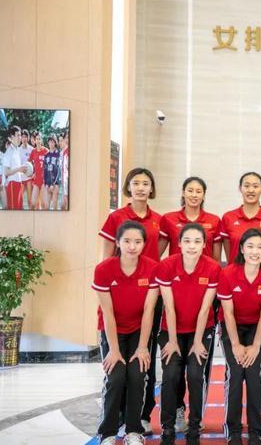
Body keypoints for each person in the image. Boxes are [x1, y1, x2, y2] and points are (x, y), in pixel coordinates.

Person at [99, 167, 162, 433]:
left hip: (148, 292)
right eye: (136, 183)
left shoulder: (158, 220)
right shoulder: (116, 217)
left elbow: (157, 254)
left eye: (146, 183)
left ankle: (141, 416)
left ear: (151, 188)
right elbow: (106, 258)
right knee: (117, 368)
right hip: (118, 292)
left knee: (143, 361)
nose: (140, 187)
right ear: (128, 186)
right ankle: (116, 418)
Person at [92, 221, 159, 445]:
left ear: (144, 244)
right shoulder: (104, 269)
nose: (132, 246)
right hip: (112, 330)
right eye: (127, 241)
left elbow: (149, 311)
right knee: (116, 376)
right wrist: (113, 349)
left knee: (138, 375)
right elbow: (107, 312)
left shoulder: (152, 268)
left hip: (139, 330)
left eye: (137, 242)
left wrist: (142, 347)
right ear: (118, 243)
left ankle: (133, 431)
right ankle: (107, 433)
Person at [155, 223, 220, 445]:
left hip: (201, 329)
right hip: (171, 329)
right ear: (179, 244)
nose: (192, 246)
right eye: (187, 241)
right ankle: (168, 428)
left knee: (195, 373)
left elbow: (205, 308)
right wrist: (172, 341)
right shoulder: (166, 266)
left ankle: (194, 427)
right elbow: (169, 307)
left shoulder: (212, 268)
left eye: (197, 241)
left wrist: (199, 341)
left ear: (204, 245)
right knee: (171, 373)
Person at [218, 228, 261, 445]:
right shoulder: (227, 274)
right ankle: (233, 429)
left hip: (257, 326)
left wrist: (255, 346)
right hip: (232, 325)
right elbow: (228, 313)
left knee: (253, 374)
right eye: (250, 246)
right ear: (242, 249)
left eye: (260, 247)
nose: (255, 251)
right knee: (235, 373)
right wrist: (235, 344)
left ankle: (255, 429)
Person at [220, 172, 261, 263]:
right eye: (246, 186)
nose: (251, 190)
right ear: (240, 188)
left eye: (255, 186)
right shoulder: (228, 217)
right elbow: (230, 256)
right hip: (235, 271)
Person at [160, 176, 222, 261]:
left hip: (205, 269)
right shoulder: (168, 219)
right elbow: (156, 255)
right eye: (190, 191)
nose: (194, 195)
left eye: (198, 192)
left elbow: (216, 260)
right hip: (176, 269)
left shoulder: (215, 220)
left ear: (204, 196)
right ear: (183, 193)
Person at [1, 126, 27, 210]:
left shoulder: (17, 150)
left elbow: (17, 169)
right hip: (12, 184)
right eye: (18, 135)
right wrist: (19, 169)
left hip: (19, 183)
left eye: (20, 135)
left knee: (19, 210)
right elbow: (6, 172)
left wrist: (24, 171)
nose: (20, 138)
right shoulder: (9, 151)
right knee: (13, 211)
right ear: (11, 137)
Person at [28, 132, 47, 210]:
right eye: (37, 139)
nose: (38, 141)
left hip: (44, 180)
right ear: (35, 141)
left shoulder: (46, 151)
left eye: (39, 139)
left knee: (43, 204)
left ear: (41, 140)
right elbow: (28, 163)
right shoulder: (33, 151)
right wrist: (32, 172)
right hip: (36, 180)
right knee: (33, 204)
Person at [42, 135, 61, 210]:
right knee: (46, 207)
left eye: (53, 142)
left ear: (55, 143)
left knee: (54, 207)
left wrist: (53, 184)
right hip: (47, 184)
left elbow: (58, 171)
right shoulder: (46, 155)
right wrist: (45, 184)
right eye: (50, 142)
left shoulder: (58, 154)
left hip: (55, 184)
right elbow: (45, 170)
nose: (51, 143)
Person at [19, 129, 33, 207]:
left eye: (25, 137)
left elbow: (34, 163)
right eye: (22, 137)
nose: (24, 139)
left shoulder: (31, 149)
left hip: (29, 178)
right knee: (19, 199)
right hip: (21, 178)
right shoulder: (18, 150)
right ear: (20, 138)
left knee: (29, 200)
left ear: (28, 138)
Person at [59, 131, 69, 210]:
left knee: (67, 204)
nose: (67, 139)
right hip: (64, 181)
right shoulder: (63, 152)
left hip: (68, 182)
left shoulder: (70, 151)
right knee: (62, 206)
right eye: (66, 137)